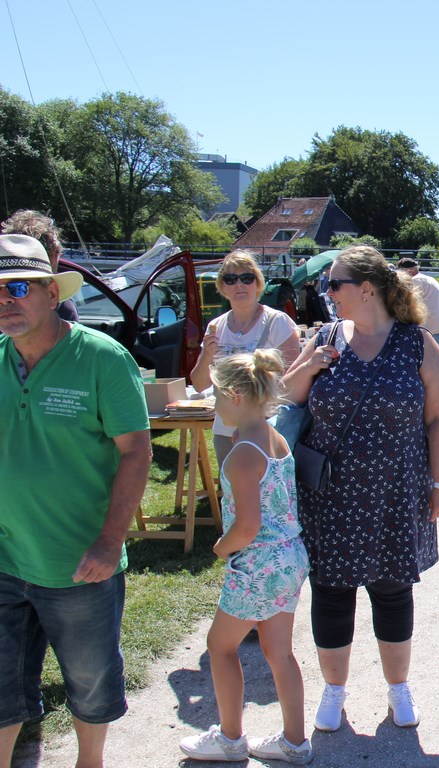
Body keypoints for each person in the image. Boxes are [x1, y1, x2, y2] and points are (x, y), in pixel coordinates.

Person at [281, 245, 439, 732]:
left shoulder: (416, 343)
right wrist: (309, 366)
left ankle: (398, 689)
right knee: (331, 592)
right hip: (329, 493)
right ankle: (334, 692)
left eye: (333, 283)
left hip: (396, 493)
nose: (327, 292)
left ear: (366, 288)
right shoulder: (325, 336)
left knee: (393, 591)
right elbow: (286, 398)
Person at [0, 234, 152, 768]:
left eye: (19, 287)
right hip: (5, 557)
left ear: (50, 292)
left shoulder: (102, 358)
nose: (6, 300)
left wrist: (110, 541)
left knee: (90, 685)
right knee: (1, 689)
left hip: (80, 562)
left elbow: (136, 451)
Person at [179, 351, 312, 765]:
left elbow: (248, 526)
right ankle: (294, 743)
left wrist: (222, 546)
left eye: (216, 396)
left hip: (257, 565)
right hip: (289, 557)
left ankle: (231, 739)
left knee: (219, 646)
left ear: (235, 395)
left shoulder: (241, 453)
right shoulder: (275, 438)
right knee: (279, 652)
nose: (214, 403)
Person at [189, 250, 301, 471]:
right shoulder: (216, 327)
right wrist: (207, 355)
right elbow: (199, 384)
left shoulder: (278, 322)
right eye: (230, 279)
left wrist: (251, 423)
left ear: (258, 283)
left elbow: (291, 382)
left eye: (246, 278)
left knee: (267, 489)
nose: (239, 285)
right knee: (230, 489)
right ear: (222, 287)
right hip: (225, 430)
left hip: (267, 428)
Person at [1, 210, 77, 321]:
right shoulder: (64, 308)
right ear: (53, 254)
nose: (3, 299)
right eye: (19, 288)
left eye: (19, 288)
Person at [398, 256, 439, 354]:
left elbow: (407, 306)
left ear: (408, 271)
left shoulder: (415, 281)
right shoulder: (431, 279)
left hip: (428, 337)